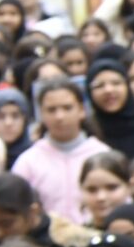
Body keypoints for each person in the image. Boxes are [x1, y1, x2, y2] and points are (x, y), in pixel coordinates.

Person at [11, 78, 110, 225]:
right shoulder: (28, 161)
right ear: (41, 114)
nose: (59, 117)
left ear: (82, 110)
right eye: (51, 110)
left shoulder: (102, 154)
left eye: (67, 108)